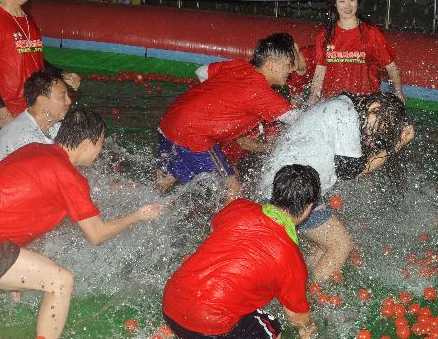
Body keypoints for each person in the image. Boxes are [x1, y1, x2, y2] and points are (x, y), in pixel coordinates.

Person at [0, 107, 163, 339]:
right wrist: (138, 216)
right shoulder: (69, 177)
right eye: (101, 143)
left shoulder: (33, 149)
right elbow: (97, 234)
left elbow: (9, 208)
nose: (100, 151)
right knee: (61, 282)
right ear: (87, 143)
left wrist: (13, 263)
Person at [258, 93, 411, 282]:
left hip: (290, 185)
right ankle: (312, 299)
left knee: (325, 247)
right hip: (291, 189)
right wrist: (395, 146)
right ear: (374, 107)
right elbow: (352, 171)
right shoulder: (345, 113)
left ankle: (295, 284)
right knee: (340, 245)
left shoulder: (343, 108)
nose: (375, 134)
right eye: (380, 125)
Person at [163, 164, 321, 339]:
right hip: (210, 326)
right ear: (308, 208)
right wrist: (309, 328)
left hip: (171, 303)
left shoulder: (239, 206)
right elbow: (295, 317)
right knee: (273, 330)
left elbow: (214, 232)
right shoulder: (292, 259)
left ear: (274, 192)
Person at [157, 33, 301, 198]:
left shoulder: (238, 66)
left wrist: (220, 104)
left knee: (168, 178)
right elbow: (300, 120)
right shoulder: (263, 94)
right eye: (287, 64)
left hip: (169, 121)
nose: (290, 70)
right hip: (193, 135)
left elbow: (201, 72)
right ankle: (221, 224)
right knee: (233, 188)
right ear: (270, 65)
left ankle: (142, 208)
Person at [307, 0, 404, 105]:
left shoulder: (372, 33)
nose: (347, 6)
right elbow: (320, 73)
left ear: (358, 2)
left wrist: (398, 92)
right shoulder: (325, 35)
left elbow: (391, 67)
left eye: (352, 0)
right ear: (334, 4)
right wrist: (311, 102)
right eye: (342, 1)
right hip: (332, 103)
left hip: (366, 102)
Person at [0, 68, 72, 175]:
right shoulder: (26, 138)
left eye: (68, 95)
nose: (69, 101)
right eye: (62, 96)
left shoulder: (47, 126)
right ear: (42, 101)